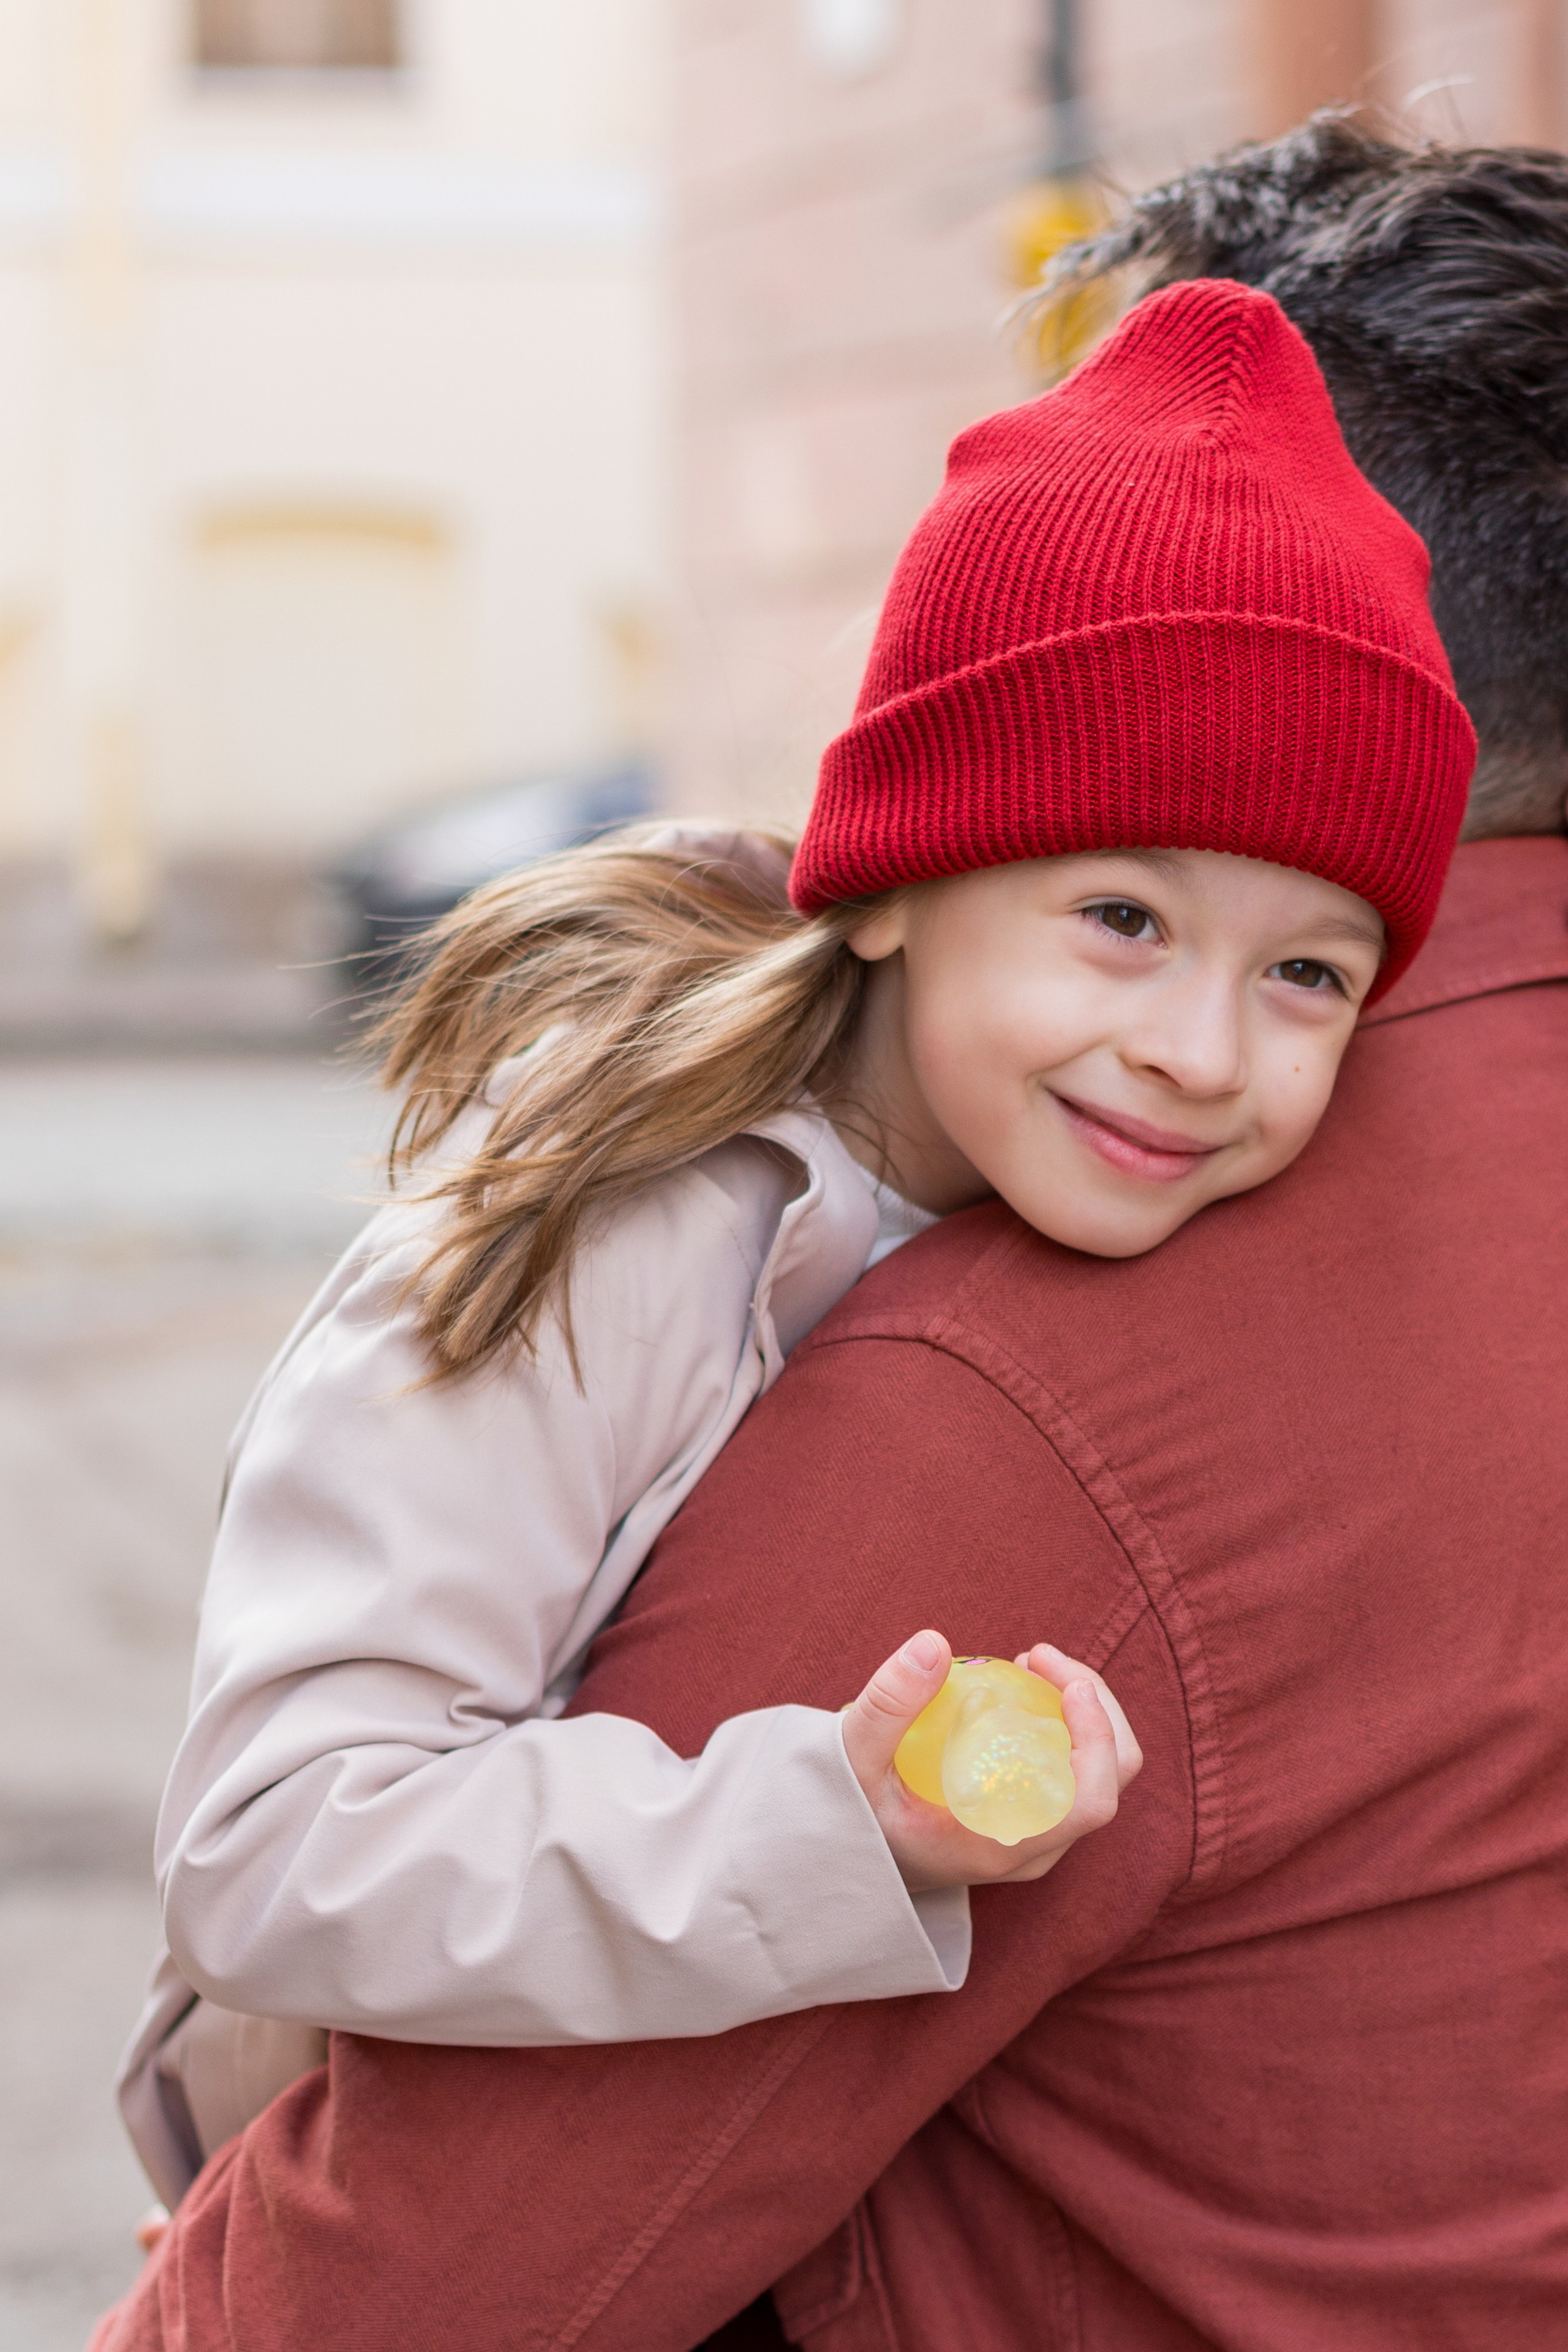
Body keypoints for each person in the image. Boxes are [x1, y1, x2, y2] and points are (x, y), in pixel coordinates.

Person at [91, 244, 1544, 2344]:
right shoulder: (590, 1241)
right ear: (893, 886)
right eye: (1123, 914)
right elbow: (278, 1847)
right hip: (351, 2119)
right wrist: (818, 1829)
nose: (1208, 1052)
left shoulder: (1050, 1192)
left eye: (1306, 970)